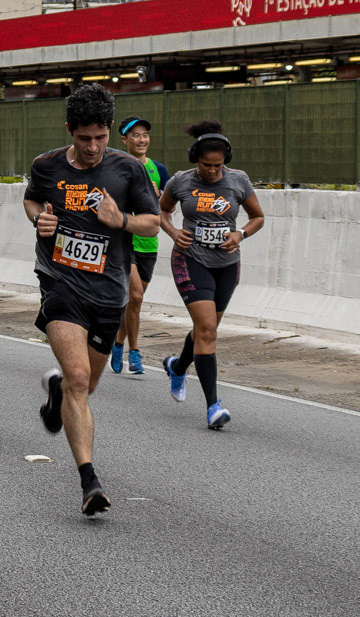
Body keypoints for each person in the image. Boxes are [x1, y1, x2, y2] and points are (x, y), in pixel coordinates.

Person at [23, 84, 160, 516]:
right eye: (84, 138)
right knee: (80, 378)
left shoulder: (128, 170)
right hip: (61, 283)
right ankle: (89, 482)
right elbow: (31, 199)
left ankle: (57, 391)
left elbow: (153, 223)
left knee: (86, 386)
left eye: (100, 137)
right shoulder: (46, 165)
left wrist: (122, 220)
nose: (93, 147)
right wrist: (39, 219)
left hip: (108, 291)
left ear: (109, 131)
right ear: (70, 130)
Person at [160, 120, 264, 430]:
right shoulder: (180, 181)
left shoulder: (238, 181)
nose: (212, 171)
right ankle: (213, 407)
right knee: (206, 328)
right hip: (190, 259)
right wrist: (173, 231)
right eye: (207, 165)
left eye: (218, 165)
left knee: (206, 330)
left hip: (227, 265)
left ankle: (178, 367)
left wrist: (241, 233)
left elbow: (258, 217)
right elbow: (161, 211)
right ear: (196, 159)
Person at [110, 116, 169, 374]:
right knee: (135, 296)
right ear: (124, 139)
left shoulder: (159, 170)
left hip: (148, 244)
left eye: (145, 134)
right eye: (135, 135)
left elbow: (166, 208)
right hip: (125, 242)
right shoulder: (115, 167)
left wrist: (157, 196)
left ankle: (117, 343)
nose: (141, 139)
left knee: (133, 303)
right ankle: (134, 352)